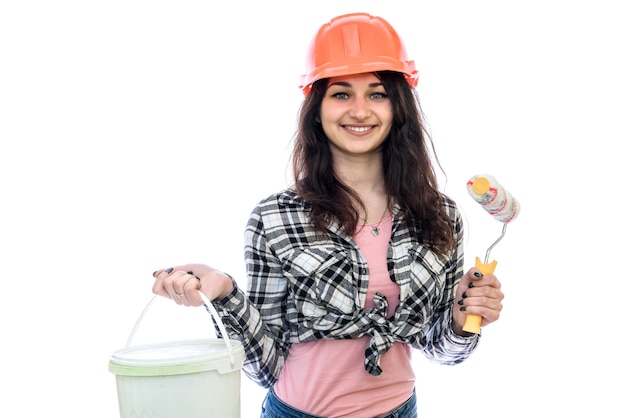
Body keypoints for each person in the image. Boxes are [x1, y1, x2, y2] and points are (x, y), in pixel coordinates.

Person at [151, 12, 504, 418]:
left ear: (398, 106)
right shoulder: (275, 217)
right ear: (317, 107)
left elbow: (440, 351)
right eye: (340, 94)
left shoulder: (439, 215)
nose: (359, 111)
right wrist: (223, 292)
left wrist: (462, 318)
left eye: (376, 93)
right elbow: (264, 367)